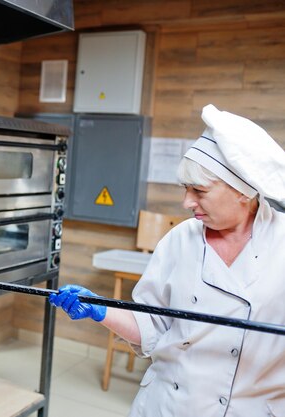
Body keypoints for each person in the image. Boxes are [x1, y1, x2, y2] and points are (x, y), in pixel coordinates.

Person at [49, 104, 285, 417]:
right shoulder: (181, 239)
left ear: (242, 191)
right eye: (186, 189)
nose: (187, 202)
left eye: (199, 190)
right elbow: (151, 325)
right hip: (167, 406)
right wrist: (101, 309)